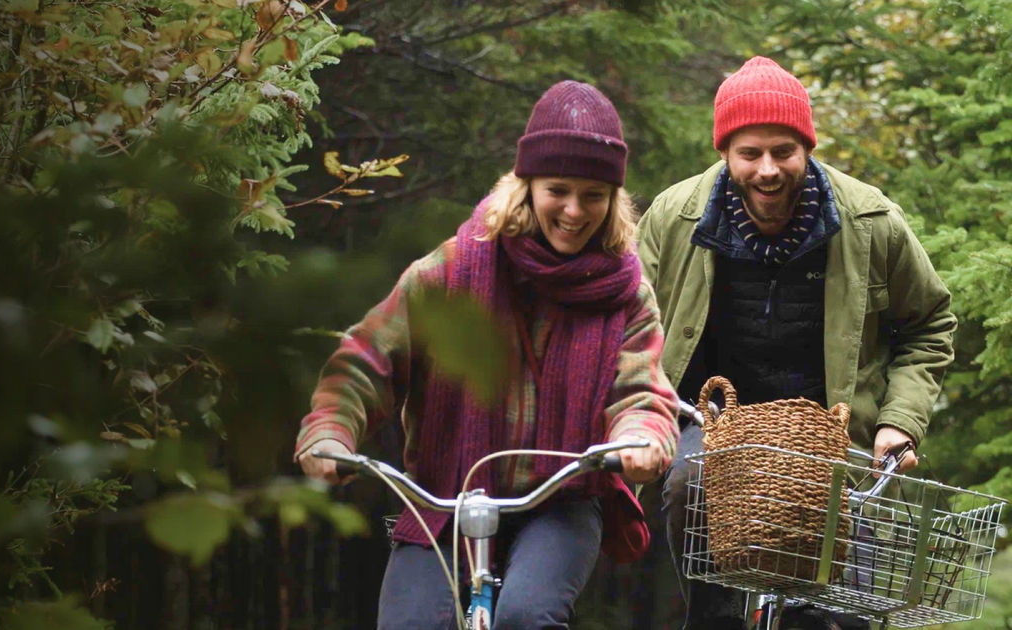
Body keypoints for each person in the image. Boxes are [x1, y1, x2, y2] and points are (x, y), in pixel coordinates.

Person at [294, 80, 680, 629]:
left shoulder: (625, 294)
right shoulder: (452, 271)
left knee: (526, 616)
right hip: (445, 496)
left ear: (613, 200)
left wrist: (639, 438)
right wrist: (330, 430)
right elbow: (367, 359)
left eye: (594, 195)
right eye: (558, 189)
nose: (575, 210)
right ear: (526, 187)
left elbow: (642, 392)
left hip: (562, 499)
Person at [637, 57, 957, 629]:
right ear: (724, 152)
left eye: (783, 151)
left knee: (839, 620)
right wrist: (641, 415)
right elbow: (629, 328)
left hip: (831, 433)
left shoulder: (871, 221)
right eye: (750, 153)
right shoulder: (673, 217)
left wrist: (899, 422)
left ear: (807, 147)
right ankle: (714, 618)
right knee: (689, 482)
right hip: (712, 424)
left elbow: (929, 324)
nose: (767, 170)